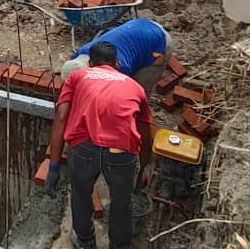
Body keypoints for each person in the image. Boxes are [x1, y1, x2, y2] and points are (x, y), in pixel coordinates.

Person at [45, 42, 153, 249]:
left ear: (91, 64)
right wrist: (144, 166)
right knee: (122, 205)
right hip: (122, 152)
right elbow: (146, 133)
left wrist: (53, 165)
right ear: (118, 64)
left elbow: (61, 117)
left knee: (81, 194)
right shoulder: (134, 86)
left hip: (84, 148)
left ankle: (86, 241)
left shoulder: (78, 77)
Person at [61, 18, 171, 97]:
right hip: (138, 26)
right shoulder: (80, 54)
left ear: (91, 66)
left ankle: (139, 124)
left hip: (157, 41)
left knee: (138, 92)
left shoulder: (119, 68)